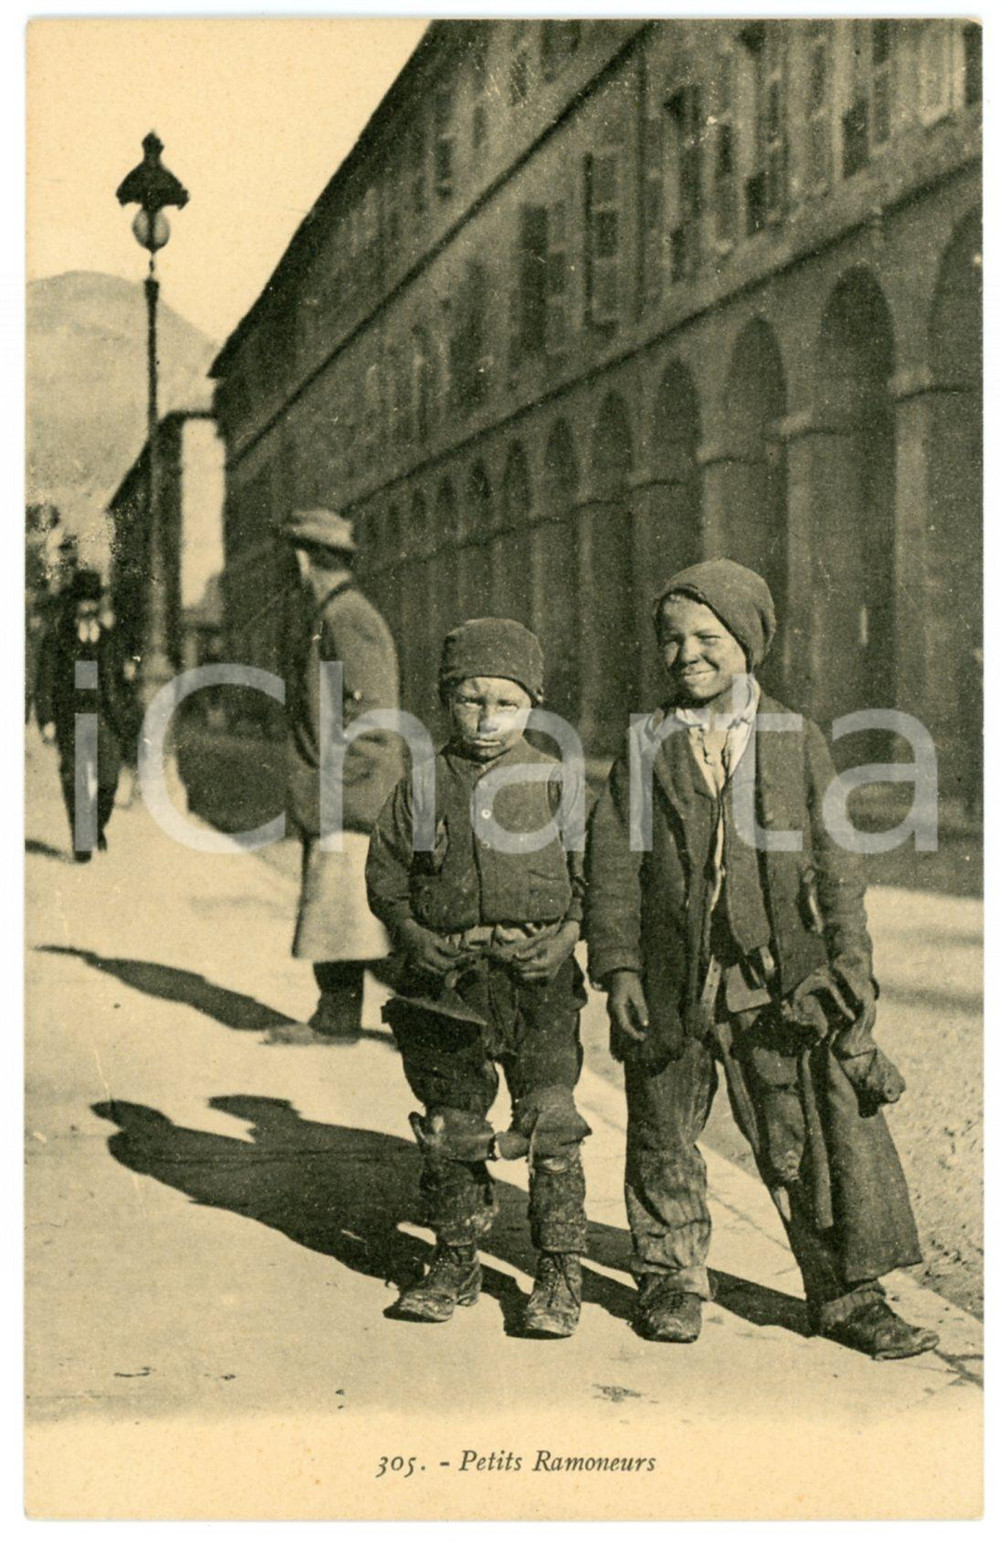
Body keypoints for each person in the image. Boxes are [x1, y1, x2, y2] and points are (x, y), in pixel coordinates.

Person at [585, 558, 939, 1360]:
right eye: (670, 640)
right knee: (662, 1133)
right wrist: (620, 971)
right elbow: (610, 864)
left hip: (772, 984)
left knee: (801, 1136)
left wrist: (850, 962)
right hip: (672, 981)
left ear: (747, 643)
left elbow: (837, 865)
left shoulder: (796, 738)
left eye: (708, 637)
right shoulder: (646, 741)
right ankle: (671, 1279)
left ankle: (847, 1296)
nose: (687, 655)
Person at [366, 618, 590, 1337]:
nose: (487, 718)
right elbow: (387, 876)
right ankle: (455, 1258)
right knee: (450, 1122)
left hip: (537, 978)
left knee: (550, 1119)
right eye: (470, 700)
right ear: (445, 700)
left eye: (506, 702)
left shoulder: (556, 781)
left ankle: (559, 1270)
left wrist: (565, 938)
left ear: (534, 703)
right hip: (449, 981)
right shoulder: (422, 786)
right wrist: (410, 936)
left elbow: (597, 881)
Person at [283, 508, 404, 1036]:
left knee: (359, 920)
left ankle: (342, 1023)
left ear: (303, 558)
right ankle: (335, 1018)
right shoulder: (329, 612)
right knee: (341, 916)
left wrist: (341, 791)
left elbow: (371, 715)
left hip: (350, 793)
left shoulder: (346, 616)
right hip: (335, 790)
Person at [34, 568, 138, 861]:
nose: (89, 606)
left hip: (104, 716)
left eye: (93, 600)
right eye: (83, 600)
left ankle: (95, 827)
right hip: (73, 717)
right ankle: (82, 844)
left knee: (107, 781)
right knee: (76, 780)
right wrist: (47, 720)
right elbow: (45, 680)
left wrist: (128, 672)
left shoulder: (109, 638)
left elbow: (120, 678)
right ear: (74, 603)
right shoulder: (57, 637)